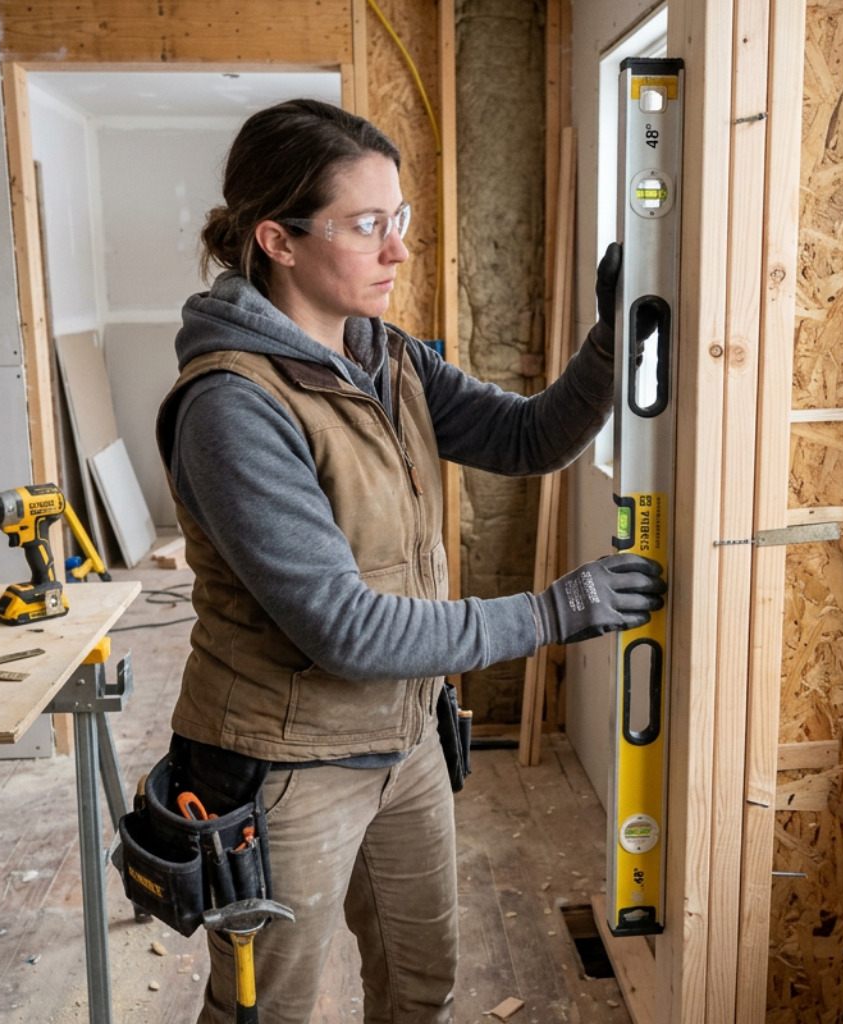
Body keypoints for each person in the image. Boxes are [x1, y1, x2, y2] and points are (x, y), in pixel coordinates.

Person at [154, 98, 665, 1024]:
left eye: (401, 222)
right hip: (284, 766)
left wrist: (606, 345)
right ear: (278, 238)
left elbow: (526, 437)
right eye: (366, 225)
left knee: (421, 984)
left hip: (406, 741)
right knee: (266, 1010)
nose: (398, 250)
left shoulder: (381, 355)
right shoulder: (233, 406)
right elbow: (345, 627)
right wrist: (548, 614)